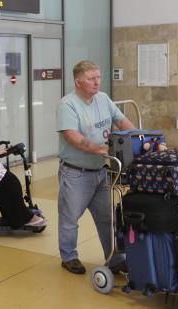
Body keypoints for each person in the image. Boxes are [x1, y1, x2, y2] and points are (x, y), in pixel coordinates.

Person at [56, 60, 136, 275]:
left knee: (107, 218)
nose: (97, 82)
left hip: (101, 172)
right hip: (76, 173)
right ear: (78, 81)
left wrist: (137, 140)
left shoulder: (103, 99)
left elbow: (122, 121)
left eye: (98, 77)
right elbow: (72, 136)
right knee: (70, 218)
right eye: (91, 79)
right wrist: (102, 150)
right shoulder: (68, 104)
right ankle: (69, 257)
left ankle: (114, 258)